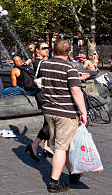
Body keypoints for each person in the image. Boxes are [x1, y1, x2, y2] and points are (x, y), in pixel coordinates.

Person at [39, 39, 87, 192]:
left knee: (63, 145)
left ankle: (73, 172)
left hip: (48, 111)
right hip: (65, 113)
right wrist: (84, 112)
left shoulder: (45, 65)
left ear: (53, 51)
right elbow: (75, 91)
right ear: (68, 53)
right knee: (61, 147)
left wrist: (74, 77)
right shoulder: (69, 68)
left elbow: (50, 82)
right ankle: (54, 182)